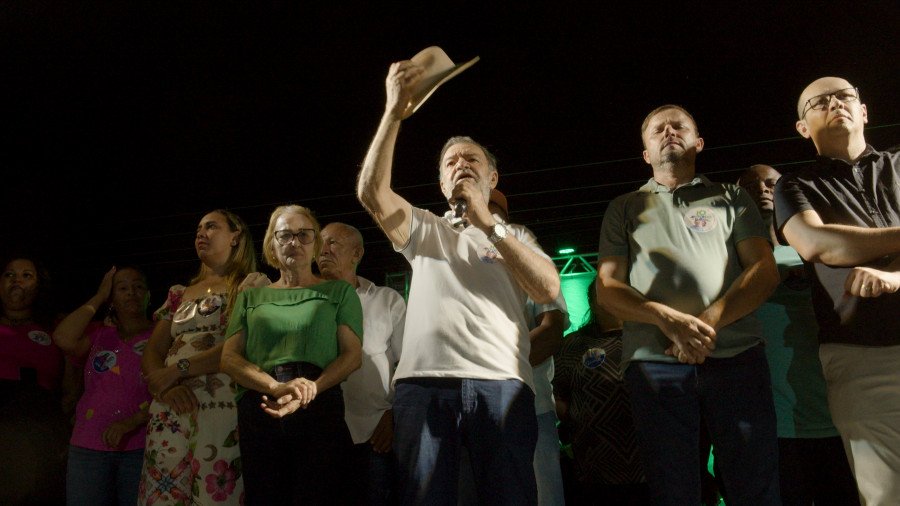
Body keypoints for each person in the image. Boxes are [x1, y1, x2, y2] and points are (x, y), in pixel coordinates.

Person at [357, 58, 561, 505]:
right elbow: (371, 193)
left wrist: (489, 224)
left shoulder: (517, 236)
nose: (461, 164)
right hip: (423, 387)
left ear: (493, 178)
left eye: (473, 159)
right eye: (451, 161)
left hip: (501, 384)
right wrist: (393, 112)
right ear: (441, 180)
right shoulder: (428, 229)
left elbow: (547, 289)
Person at [596, 104, 780, 504]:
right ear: (645, 153)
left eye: (678, 125)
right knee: (674, 489)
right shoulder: (624, 207)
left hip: (736, 357)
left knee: (755, 483)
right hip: (655, 365)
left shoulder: (731, 196)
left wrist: (707, 321)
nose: (668, 132)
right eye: (656, 129)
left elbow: (764, 270)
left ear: (699, 141)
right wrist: (665, 319)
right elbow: (608, 286)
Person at [775, 76, 900, 504]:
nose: (834, 103)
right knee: (886, 494)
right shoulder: (793, 186)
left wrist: (895, 276)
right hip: (863, 357)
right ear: (802, 127)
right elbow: (818, 244)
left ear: (864, 110)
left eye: (844, 96)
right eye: (818, 102)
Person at [221, 205, 363, 505]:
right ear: (272, 244)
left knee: (320, 494)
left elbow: (352, 356)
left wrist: (312, 387)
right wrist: (274, 387)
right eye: (284, 235)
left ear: (316, 243)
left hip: (318, 402)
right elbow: (230, 358)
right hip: (261, 403)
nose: (294, 242)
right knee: (266, 495)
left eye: (303, 234)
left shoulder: (339, 292)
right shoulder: (250, 296)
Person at [739, 164, 859, 505]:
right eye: (749, 184)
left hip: (837, 417)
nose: (761, 189)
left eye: (770, 183)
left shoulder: (818, 251)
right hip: (774, 428)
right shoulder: (730, 263)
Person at [138, 209, 257, 505]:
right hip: (171, 404)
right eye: (198, 230)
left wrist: (179, 369)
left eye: (212, 227)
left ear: (235, 236)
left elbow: (238, 345)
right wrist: (166, 385)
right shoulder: (178, 293)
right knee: (165, 491)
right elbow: (153, 350)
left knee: (214, 490)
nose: (201, 234)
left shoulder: (249, 286)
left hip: (219, 407)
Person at [457, 190, 569, 506]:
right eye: (468, 210)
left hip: (530, 407)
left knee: (540, 498)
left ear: (502, 216)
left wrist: (496, 370)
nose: (474, 216)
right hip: (470, 413)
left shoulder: (525, 254)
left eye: (484, 209)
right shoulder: (456, 260)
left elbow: (551, 330)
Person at [316, 221, 406, 506]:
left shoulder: (386, 300)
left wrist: (394, 416)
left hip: (374, 431)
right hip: (317, 432)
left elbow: (408, 365)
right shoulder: (305, 300)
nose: (324, 250)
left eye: (334, 243)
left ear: (357, 254)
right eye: (320, 244)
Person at [53, 265, 155, 506]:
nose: (131, 292)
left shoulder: (160, 335)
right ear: (112, 297)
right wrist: (99, 297)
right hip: (88, 446)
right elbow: (63, 338)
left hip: (140, 446)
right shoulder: (100, 335)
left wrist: (133, 421)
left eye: (138, 286)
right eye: (122, 288)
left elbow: (167, 390)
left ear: (149, 295)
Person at [553, 280, 648, 505]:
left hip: (647, 464)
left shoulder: (649, 337)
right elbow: (557, 394)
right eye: (602, 295)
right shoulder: (573, 345)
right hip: (594, 466)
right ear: (592, 302)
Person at [0, 253, 70, 505]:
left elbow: (70, 388)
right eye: (9, 274)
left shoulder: (55, 328)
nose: (16, 281)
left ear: (40, 285)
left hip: (38, 426)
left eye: (26, 275)